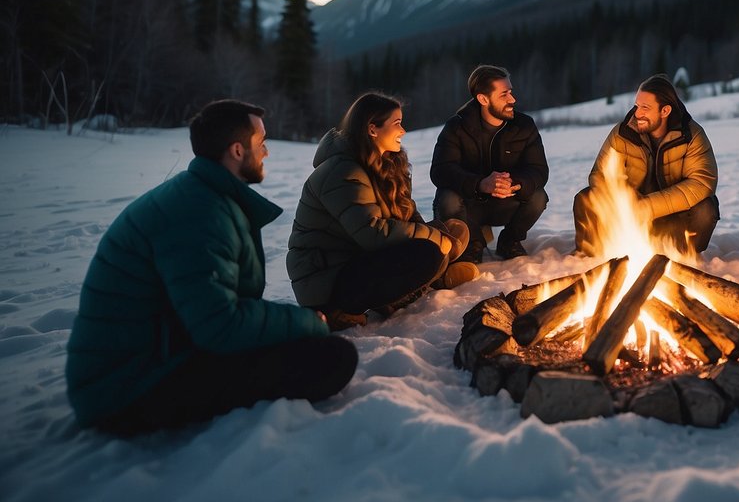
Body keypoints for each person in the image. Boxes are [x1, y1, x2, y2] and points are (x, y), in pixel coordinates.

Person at [65, 100, 357, 435]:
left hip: (153, 357)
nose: (266, 152)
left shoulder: (204, 196)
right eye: (261, 143)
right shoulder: (200, 213)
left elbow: (213, 309)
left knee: (303, 346)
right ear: (236, 150)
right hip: (126, 388)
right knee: (331, 359)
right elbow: (219, 324)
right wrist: (308, 321)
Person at [288, 92, 478, 328]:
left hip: (361, 257)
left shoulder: (386, 162)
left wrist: (437, 234)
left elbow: (407, 214)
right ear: (372, 129)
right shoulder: (342, 171)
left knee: (451, 231)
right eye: (397, 123)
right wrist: (434, 240)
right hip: (328, 281)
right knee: (428, 252)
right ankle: (360, 306)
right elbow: (373, 233)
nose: (403, 131)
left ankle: (427, 278)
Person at [573, 73, 720, 256]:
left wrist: (648, 207)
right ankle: (592, 255)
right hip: (629, 218)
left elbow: (702, 183)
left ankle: (676, 256)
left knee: (706, 209)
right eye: (636, 106)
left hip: (673, 219)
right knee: (585, 198)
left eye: (645, 107)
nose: (637, 113)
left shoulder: (691, 135)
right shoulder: (623, 133)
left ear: (665, 111)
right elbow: (599, 175)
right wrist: (626, 200)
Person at [431, 65, 549, 261]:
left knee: (538, 196)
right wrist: (480, 184)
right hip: (469, 207)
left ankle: (509, 242)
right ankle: (471, 245)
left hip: (507, 202)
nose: (512, 99)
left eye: (510, 92)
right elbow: (441, 171)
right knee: (447, 198)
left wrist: (516, 183)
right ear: (483, 99)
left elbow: (539, 170)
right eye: (504, 95)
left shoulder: (524, 125)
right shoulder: (456, 127)